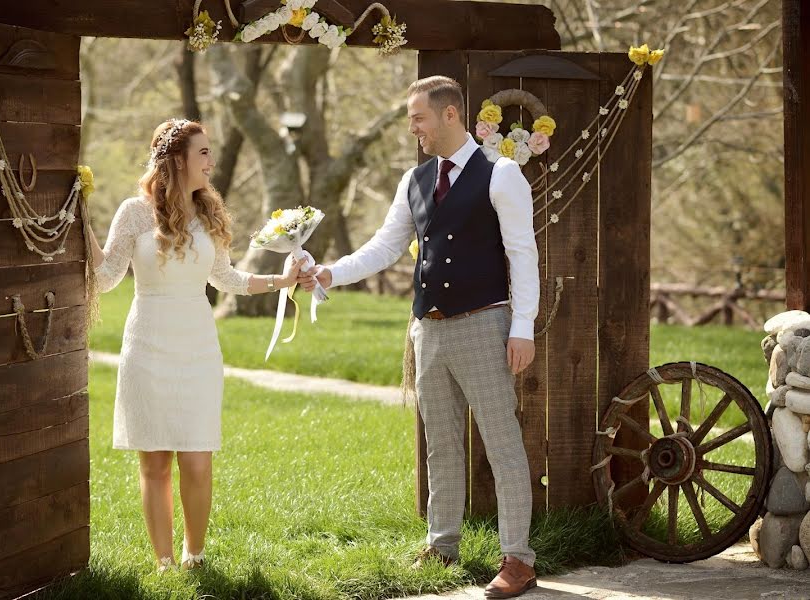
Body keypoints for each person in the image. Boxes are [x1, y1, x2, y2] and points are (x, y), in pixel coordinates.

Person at [297, 76, 540, 598]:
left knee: (502, 444)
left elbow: (524, 255)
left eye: (418, 118)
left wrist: (523, 328)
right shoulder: (414, 179)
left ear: (449, 115)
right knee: (441, 445)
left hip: (485, 325)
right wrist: (331, 273)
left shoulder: (502, 175)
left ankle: (518, 559)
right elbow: (385, 247)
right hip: (427, 330)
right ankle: (442, 544)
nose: (413, 129)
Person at [86, 119, 304, 571]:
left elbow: (225, 278)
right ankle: (165, 564)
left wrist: (279, 281)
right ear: (177, 159)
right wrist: (81, 220)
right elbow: (106, 278)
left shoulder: (209, 212)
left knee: (198, 459)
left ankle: (195, 557)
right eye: (203, 152)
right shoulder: (133, 212)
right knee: (155, 464)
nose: (212, 161)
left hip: (198, 347)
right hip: (146, 343)